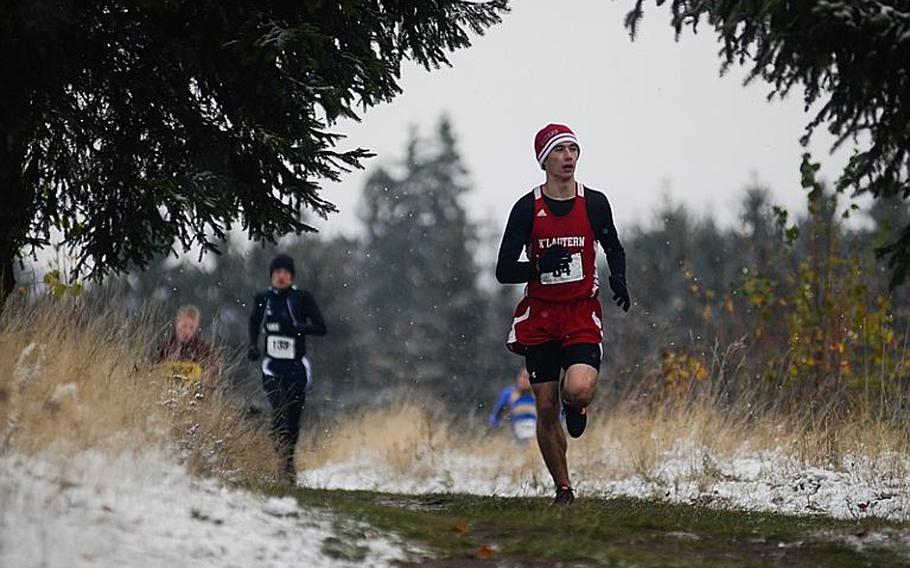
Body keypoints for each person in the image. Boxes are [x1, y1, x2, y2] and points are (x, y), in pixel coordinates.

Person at [495, 123, 630, 505]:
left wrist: (618, 278)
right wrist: (538, 265)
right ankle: (564, 488)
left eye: (573, 149)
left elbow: (614, 247)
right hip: (540, 318)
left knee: (578, 387)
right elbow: (504, 270)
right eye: (559, 150)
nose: (568, 156)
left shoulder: (595, 203)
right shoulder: (526, 209)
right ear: (544, 160)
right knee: (544, 406)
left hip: (581, 313)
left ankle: (579, 405)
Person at [247, 253, 327, 483]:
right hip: (272, 366)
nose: (281, 276)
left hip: (297, 368)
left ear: (291, 276)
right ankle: (279, 457)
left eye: (285, 273)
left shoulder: (302, 298)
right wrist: (253, 345)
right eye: (277, 272)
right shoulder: (263, 299)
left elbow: (321, 327)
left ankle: (287, 461)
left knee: (293, 418)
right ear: (271, 276)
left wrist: (298, 328)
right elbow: (254, 322)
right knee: (279, 408)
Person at [152, 304, 218, 395]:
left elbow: (213, 376)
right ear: (177, 324)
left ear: (196, 328)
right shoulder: (164, 349)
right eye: (184, 326)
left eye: (191, 327)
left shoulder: (204, 351)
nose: (187, 332)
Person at [488, 368, 537, 445]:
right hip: (514, 436)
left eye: (527, 378)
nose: (523, 381)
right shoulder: (509, 394)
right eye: (522, 377)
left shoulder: (539, 396)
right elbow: (495, 416)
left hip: (535, 437)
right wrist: (499, 429)